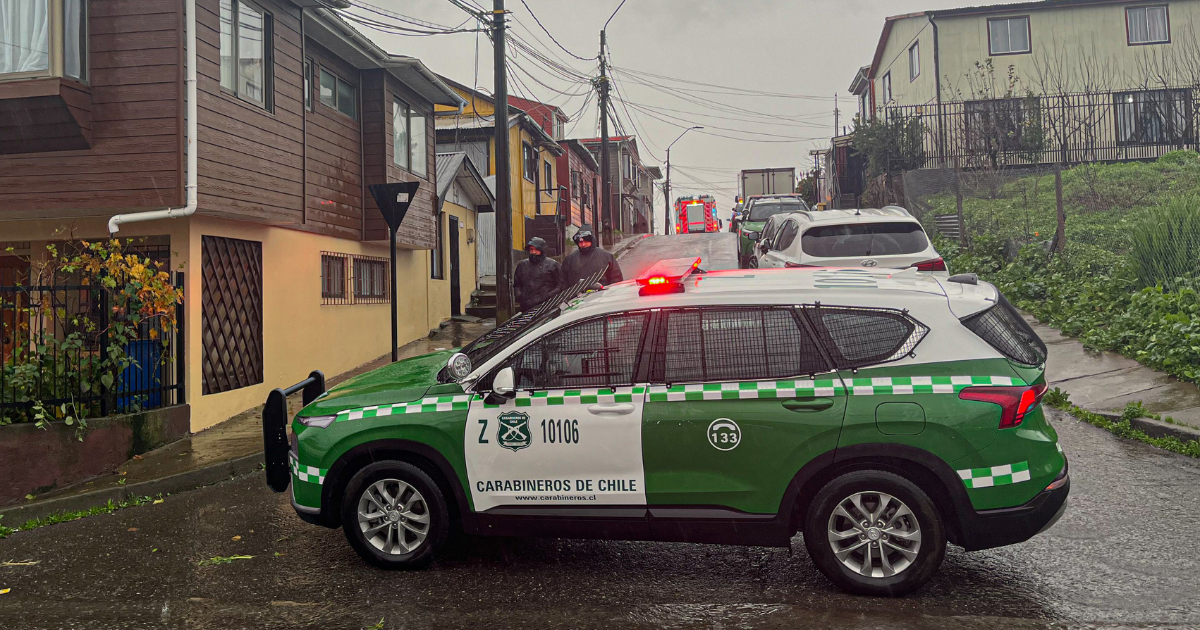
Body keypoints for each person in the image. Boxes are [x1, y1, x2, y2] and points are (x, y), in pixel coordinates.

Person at [512, 237, 561, 313]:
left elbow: (561, 284)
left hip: (546, 306)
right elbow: (517, 284)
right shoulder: (522, 265)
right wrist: (520, 296)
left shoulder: (553, 265)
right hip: (527, 306)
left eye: (536, 249)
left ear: (542, 250)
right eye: (531, 249)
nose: (533, 252)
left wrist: (549, 295)